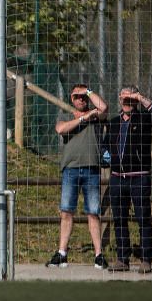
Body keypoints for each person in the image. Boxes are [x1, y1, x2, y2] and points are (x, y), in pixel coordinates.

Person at [47, 84, 108, 270]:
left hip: (91, 169)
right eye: (77, 96)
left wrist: (88, 92)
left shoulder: (96, 116)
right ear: (71, 99)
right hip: (70, 169)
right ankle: (62, 253)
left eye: (84, 97)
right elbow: (61, 129)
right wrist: (83, 117)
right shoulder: (65, 115)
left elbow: (104, 107)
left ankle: (98, 255)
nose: (81, 100)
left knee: (93, 212)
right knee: (66, 212)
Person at [105, 86, 152, 274]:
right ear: (119, 100)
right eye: (124, 98)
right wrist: (108, 159)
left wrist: (138, 96)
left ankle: (146, 260)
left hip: (139, 178)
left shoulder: (145, 120)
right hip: (117, 179)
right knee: (119, 219)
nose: (127, 102)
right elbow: (105, 147)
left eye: (131, 99)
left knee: (143, 219)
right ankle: (123, 258)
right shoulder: (113, 123)